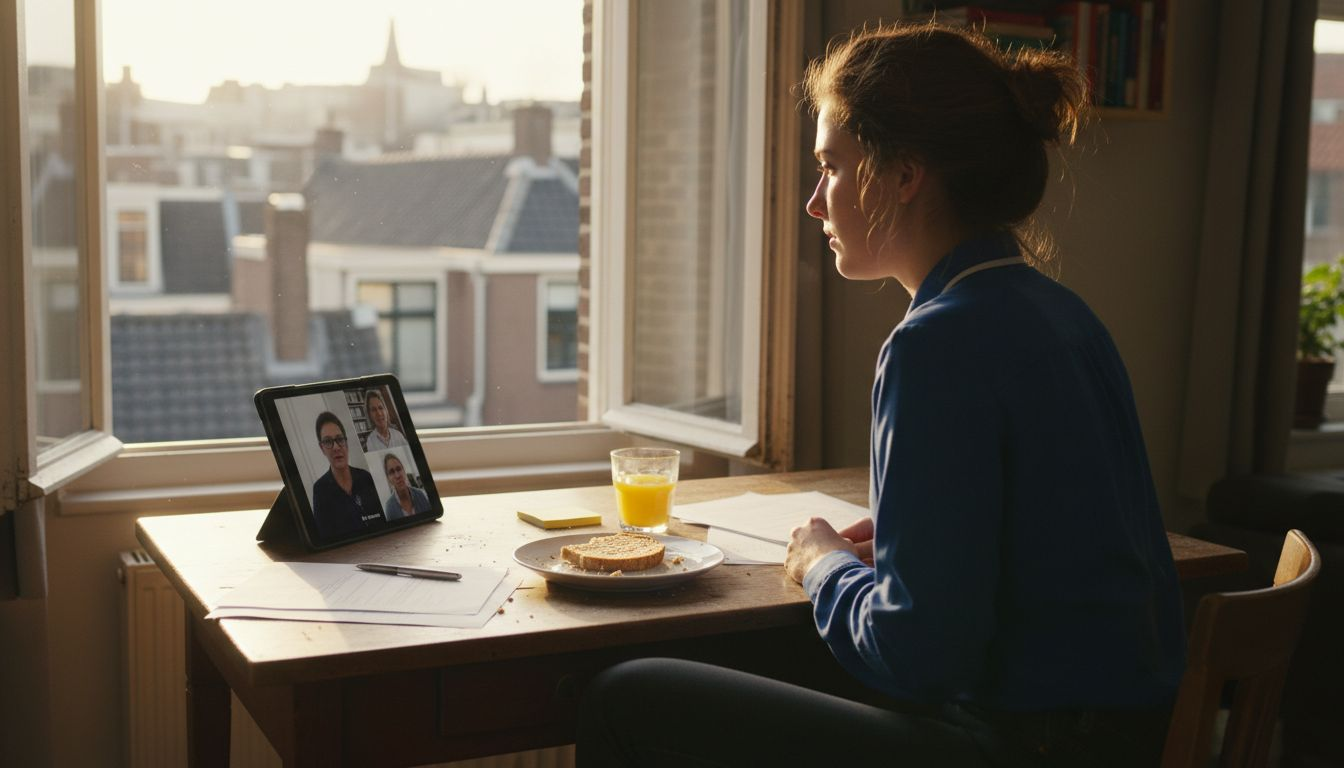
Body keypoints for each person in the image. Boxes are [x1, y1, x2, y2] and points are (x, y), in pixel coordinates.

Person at [577, 23, 1185, 767]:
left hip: (1019, 744)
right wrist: (904, 549)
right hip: (1120, 737)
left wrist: (822, 563)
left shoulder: (933, 345)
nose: (813, 203)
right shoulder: (1064, 314)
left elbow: (917, 655)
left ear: (905, 175)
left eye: (830, 167)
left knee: (629, 695)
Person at [309, 411, 383, 538]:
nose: (336, 447)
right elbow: (325, 537)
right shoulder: (320, 490)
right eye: (328, 442)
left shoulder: (366, 477)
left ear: (346, 443)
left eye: (339, 439)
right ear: (322, 449)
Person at [382, 452, 431, 520]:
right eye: (391, 472)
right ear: (388, 479)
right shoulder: (389, 508)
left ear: (404, 471)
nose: (397, 475)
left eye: (399, 469)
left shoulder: (422, 494)